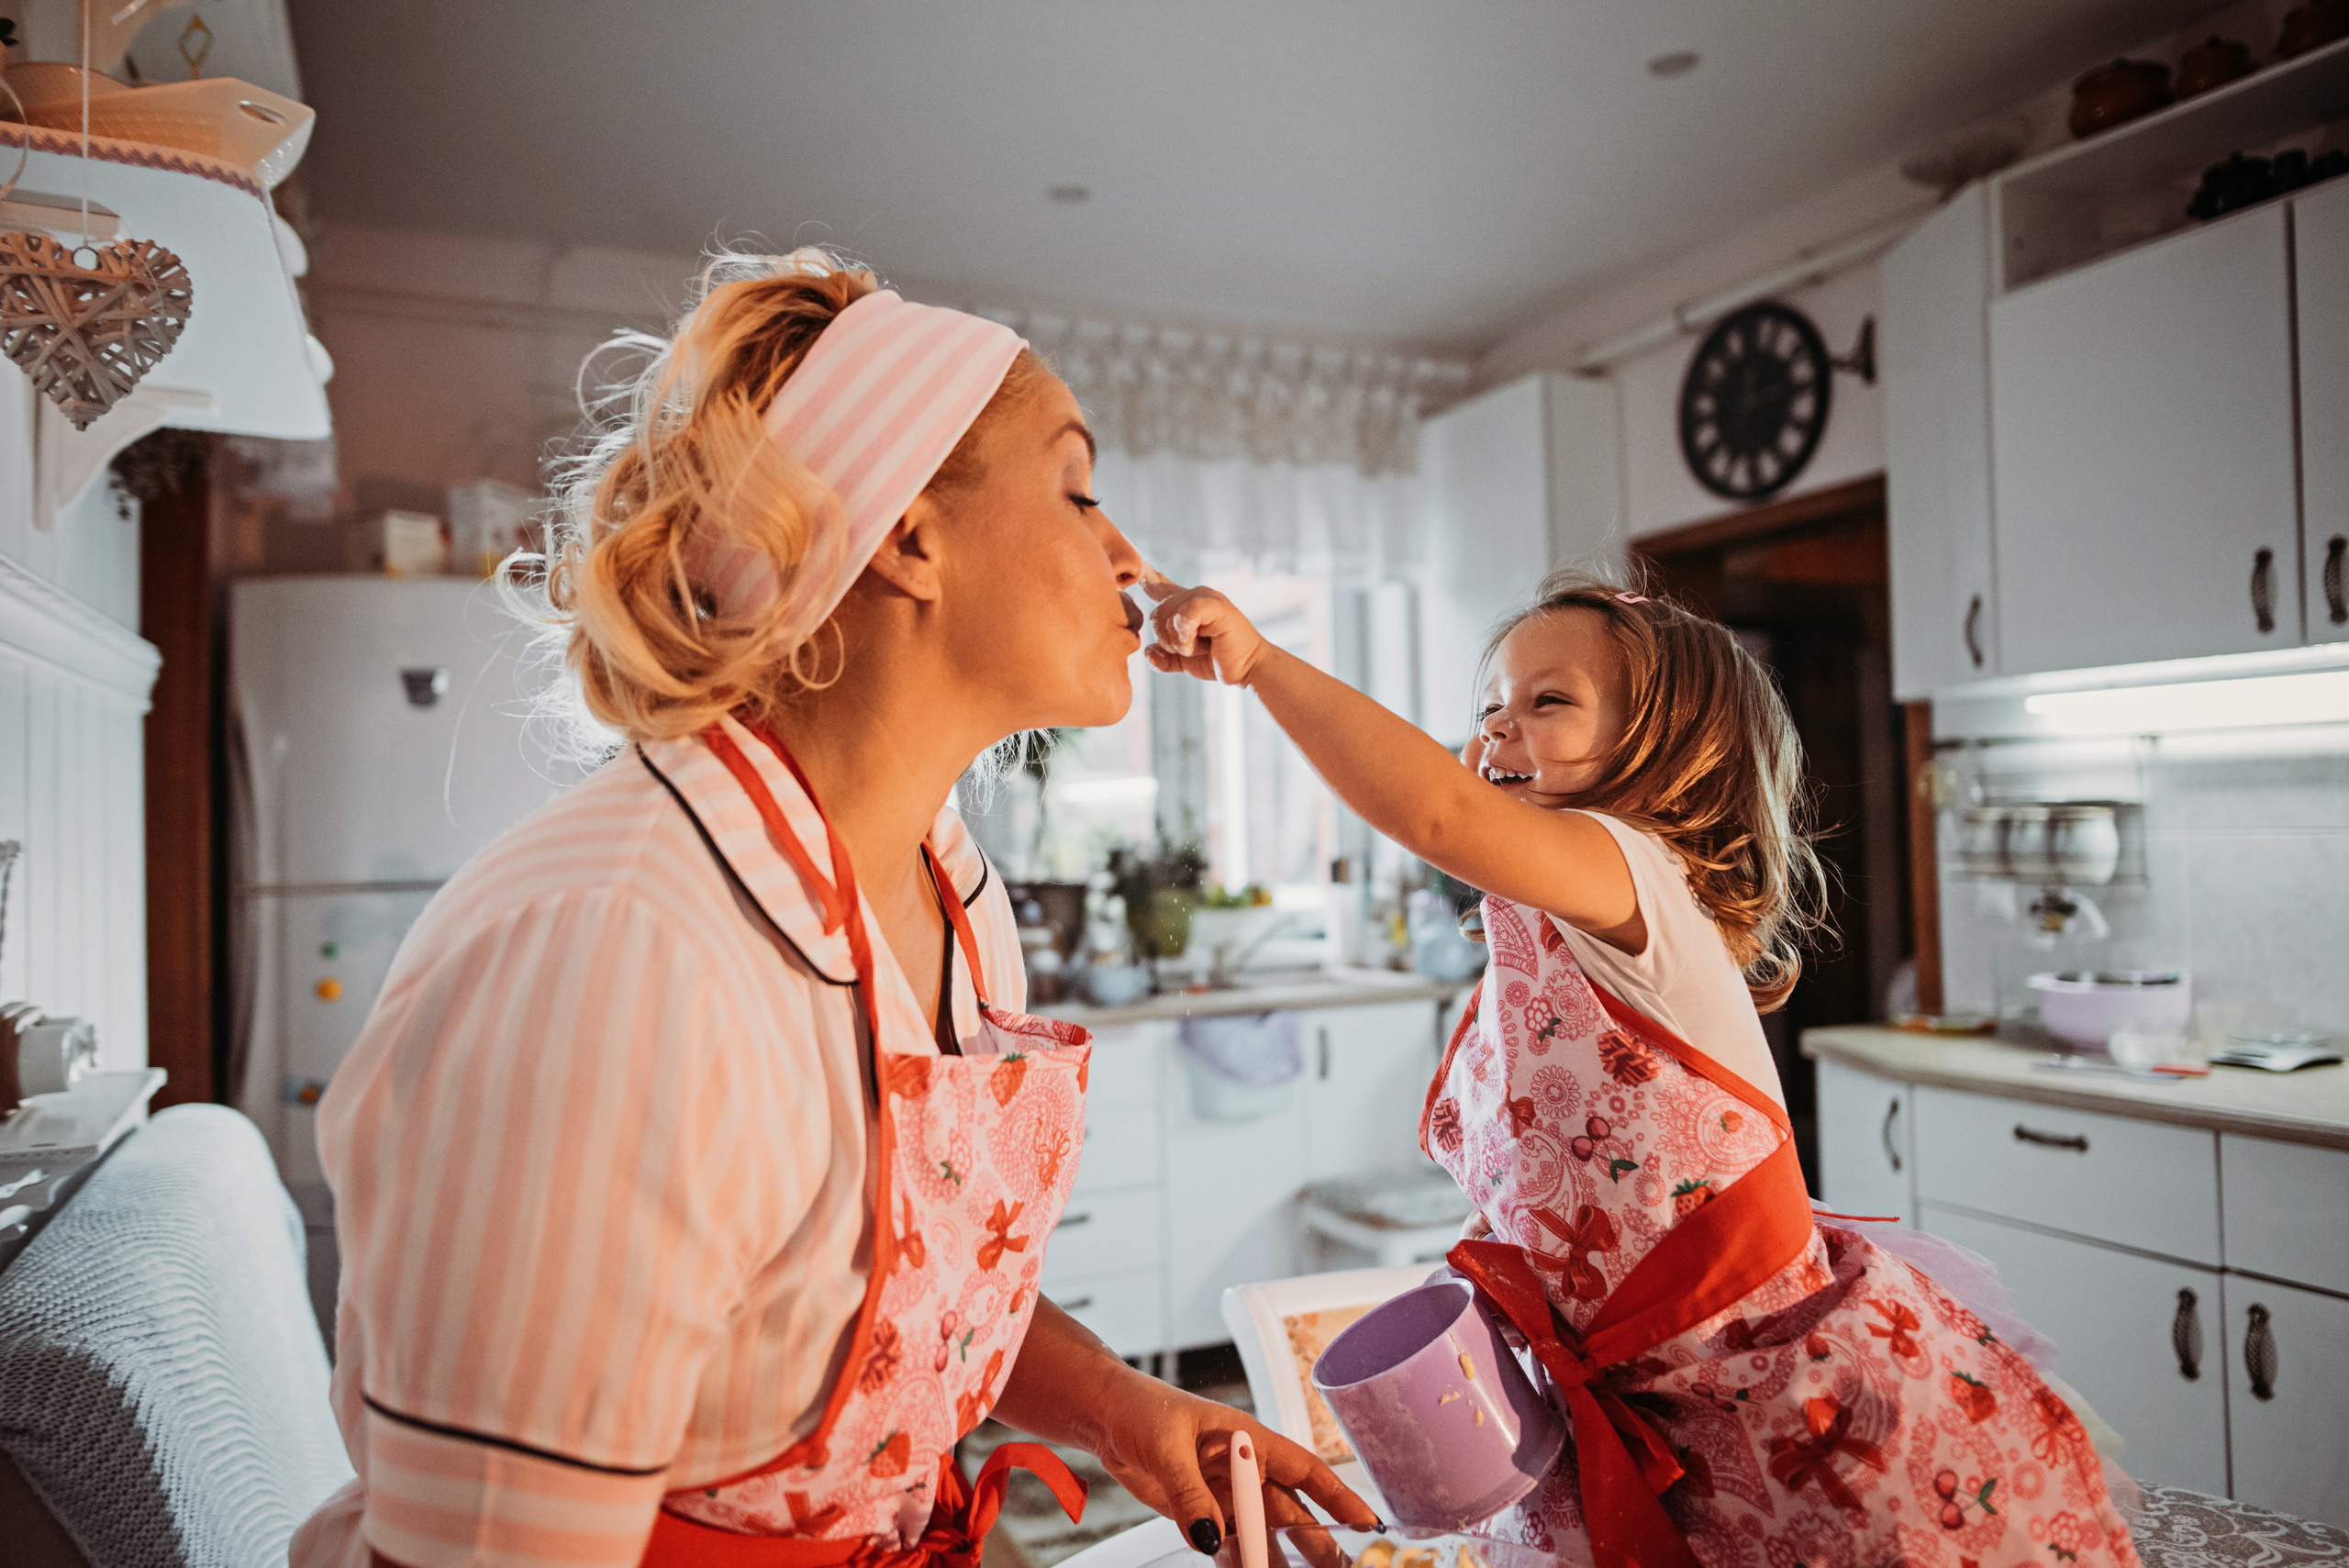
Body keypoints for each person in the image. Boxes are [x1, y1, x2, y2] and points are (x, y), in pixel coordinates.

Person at [291, 250, 1373, 1568]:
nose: (1128, 554)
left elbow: (885, 1291)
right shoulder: (620, 951)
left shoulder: (953, 897)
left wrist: (1121, 1407)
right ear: (910, 536)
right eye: (1079, 489)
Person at [1141, 570, 2140, 1568]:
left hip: (1783, 1400)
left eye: (1548, 701)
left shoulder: (1634, 872)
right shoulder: (1543, 932)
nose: (1498, 728)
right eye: (1489, 707)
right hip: (1647, 1407)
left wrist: (1261, 663)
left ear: (1669, 750)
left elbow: (1438, 814)